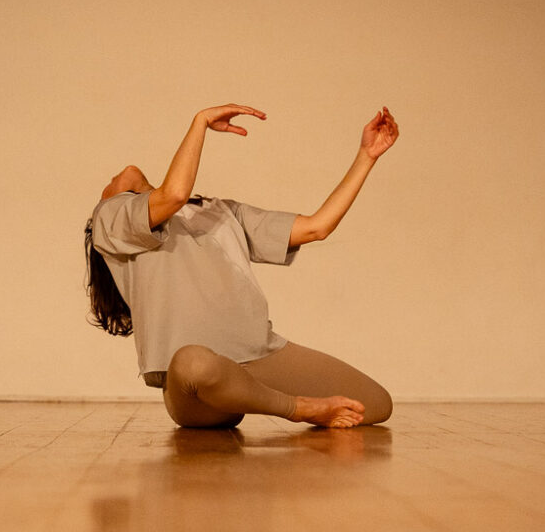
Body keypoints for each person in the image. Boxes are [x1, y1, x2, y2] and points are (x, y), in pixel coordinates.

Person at [84, 103, 399, 429]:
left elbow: (316, 227)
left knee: (375, 404)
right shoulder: (109, 218)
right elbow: (174, 193)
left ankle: (254, 394)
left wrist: (367, 156)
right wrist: (200, 122)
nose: (116, 176)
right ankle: (299, 409)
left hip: (259, 356)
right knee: (194, 363)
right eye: (109, 185)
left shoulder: (218, 211)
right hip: (196, 387)